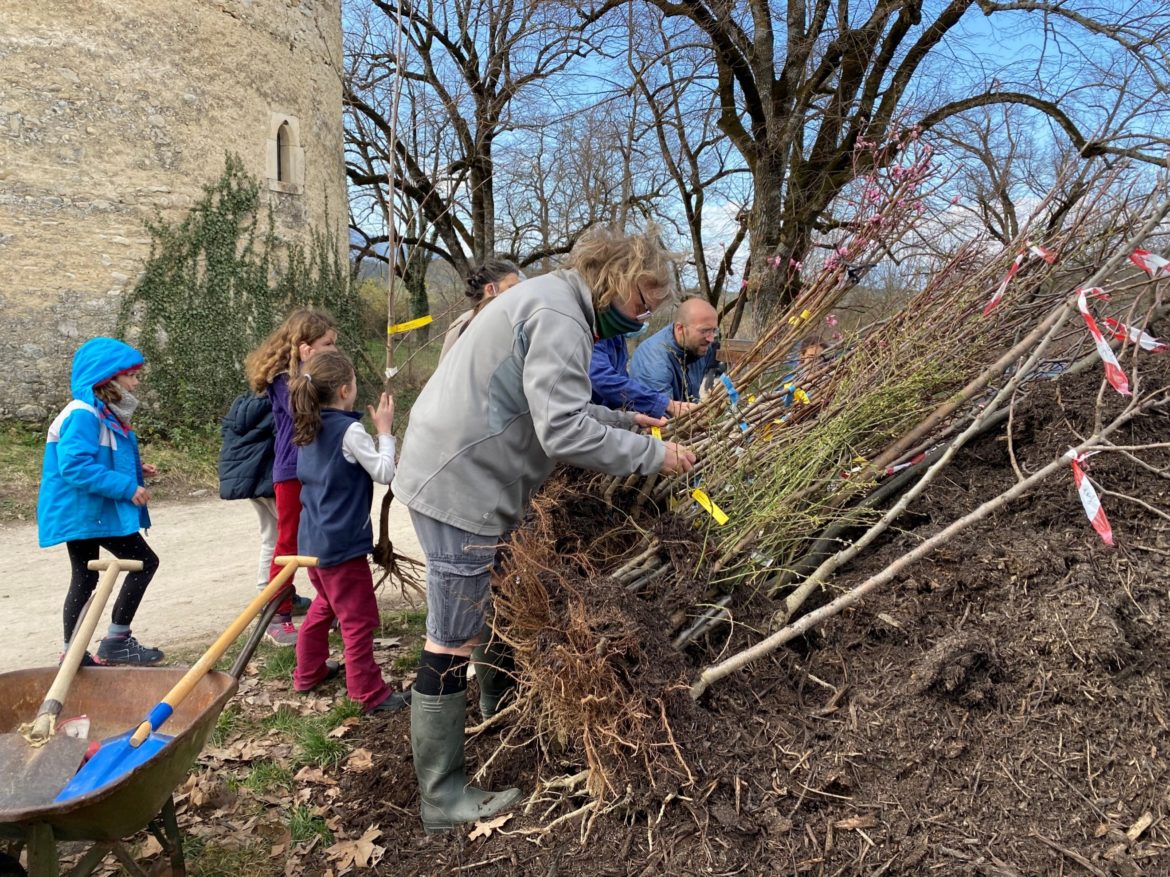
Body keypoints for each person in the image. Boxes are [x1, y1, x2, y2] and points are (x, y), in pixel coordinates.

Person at [392, 225, 698, 833]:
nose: (643, 317)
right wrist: (652, 455)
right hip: (461, 485)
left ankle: (494, 703)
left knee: (486, 600)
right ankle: (441, 796)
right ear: (613, 279)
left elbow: (553, 402)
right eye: (643, 301)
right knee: (451, 634)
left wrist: (623, 417)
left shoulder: (552, 300)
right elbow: (561, 432)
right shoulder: (561, 315)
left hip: (459, 470)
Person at [288, 351, 410, 714]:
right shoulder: (349, 430)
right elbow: (385, 472)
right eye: (355, 383)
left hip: (313, 541)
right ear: (344, 390)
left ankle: (307, 672)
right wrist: (385, 432)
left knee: (325, 605)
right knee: (357, 619)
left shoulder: (308, 424)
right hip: (342, 546)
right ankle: (368, 692)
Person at [37, 337, 164, 666]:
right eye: (131, 375)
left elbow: (99, 458)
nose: (136, 382)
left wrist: (137, 471)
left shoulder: (101, 412)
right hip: (86, 511)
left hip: (88, 510)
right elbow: (75, 466)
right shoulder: (84, 414)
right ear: (107, 378)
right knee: (143, 563)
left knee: (85, 576)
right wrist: (126, 487)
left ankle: (74, 653)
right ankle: (116, 640)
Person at [244, 307, 339, 646]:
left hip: (316, 468)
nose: (334, 350)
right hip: (292, 472)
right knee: (288, 545)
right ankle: (277, 615)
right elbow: (305, 412)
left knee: (320, 540)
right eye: (328, 344)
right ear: (304, 346)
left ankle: (332, 606)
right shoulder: (285, 381)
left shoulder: (309, 376)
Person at [217, 389, 278, 596]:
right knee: (298, 536)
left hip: (250, 482)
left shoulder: (242, 403)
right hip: (271, 480)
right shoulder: (278, 403)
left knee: (271, 537)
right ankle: (279, 596)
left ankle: (266, 592)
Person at [629, 298, 721, 403]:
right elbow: (662, 414)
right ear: (680, 328)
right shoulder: (654, 361)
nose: (711, 339)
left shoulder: (697, 346)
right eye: (704, 331)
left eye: (714, 330)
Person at [589, 332, 697, 418]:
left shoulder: (617, 339)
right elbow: (603, 380)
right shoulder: (656, 358)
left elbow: (620, 393)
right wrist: (665, 405)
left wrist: (636, 416)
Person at [439, 259, 523, 362]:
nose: (519, 293)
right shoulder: (465, 324)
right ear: (490, 289)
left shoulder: (509, 322)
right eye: (512, 288)